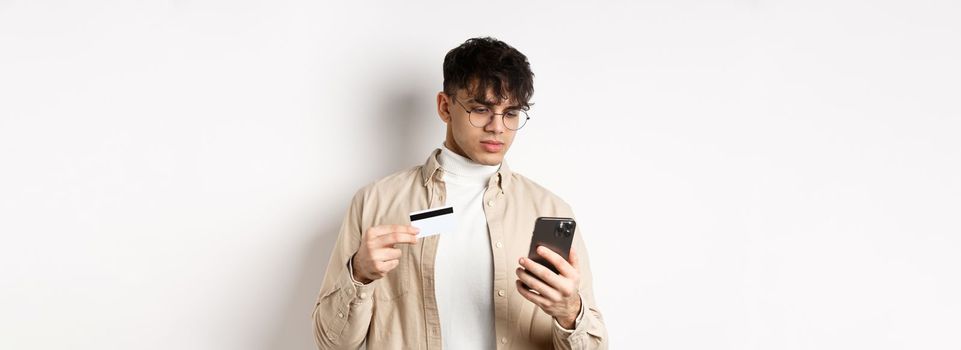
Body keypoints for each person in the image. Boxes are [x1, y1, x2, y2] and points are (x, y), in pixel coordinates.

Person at [312, 37, 608, 349]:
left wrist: (569, 312)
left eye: (511, 113)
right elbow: (331, 344)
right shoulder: (376, 202)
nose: (497, 127)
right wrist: (359, 275)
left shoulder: (550, 211)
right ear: (444, 106)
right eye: (481, 109)